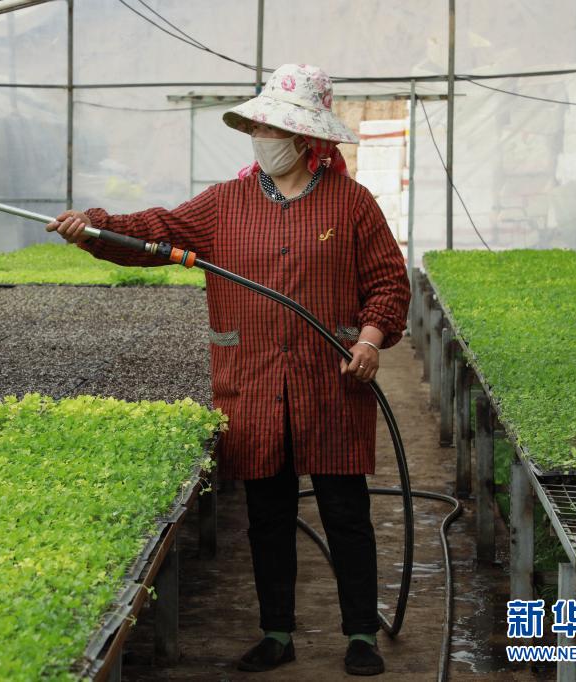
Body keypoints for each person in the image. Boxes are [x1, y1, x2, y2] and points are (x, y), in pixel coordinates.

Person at [47, 63, 410, 676]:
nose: (262, 137)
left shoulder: (351, 203)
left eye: (275, 127)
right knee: (268, 516)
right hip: (255, 385)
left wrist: (371, 341)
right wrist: (94, 229)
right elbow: (154, 231)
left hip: (332, 384)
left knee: (345, 515)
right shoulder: (225, 203)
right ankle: (276, 633)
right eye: (259, 126)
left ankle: (360, 636)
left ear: (306, 137)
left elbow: (389, 283)